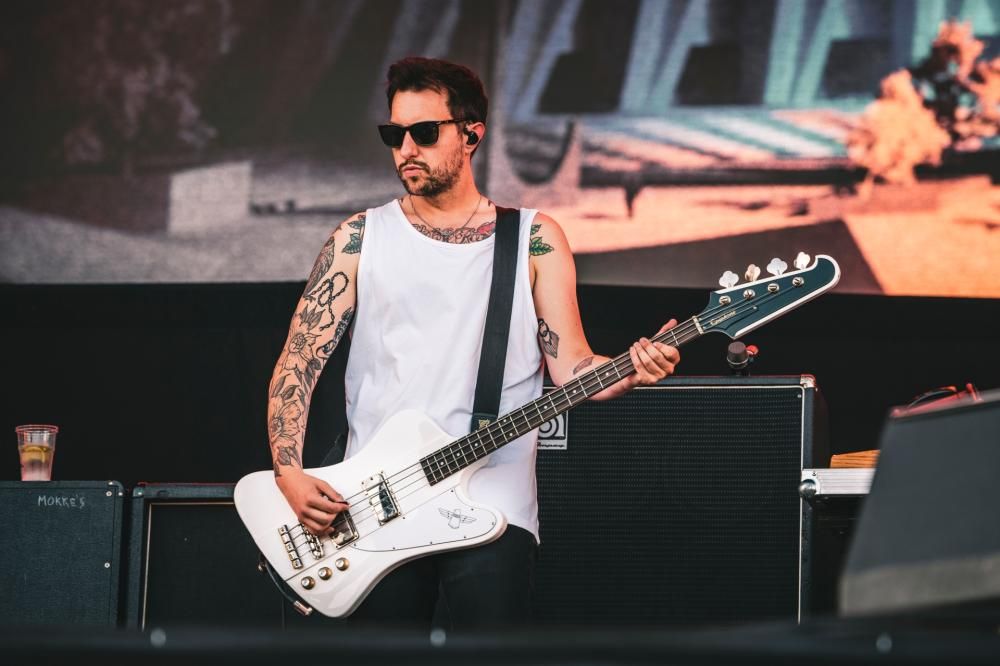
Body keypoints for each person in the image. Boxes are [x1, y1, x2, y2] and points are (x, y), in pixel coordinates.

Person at [266, 56, 680, 631]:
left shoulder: (534, 239)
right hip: (376, 505)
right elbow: (298, 363)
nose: (406, 149)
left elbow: (573, 366)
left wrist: (632, 368)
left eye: (424, 132)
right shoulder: (359, 238)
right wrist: (288, 472)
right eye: (394, 134)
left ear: (471, 135)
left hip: (494, 507)